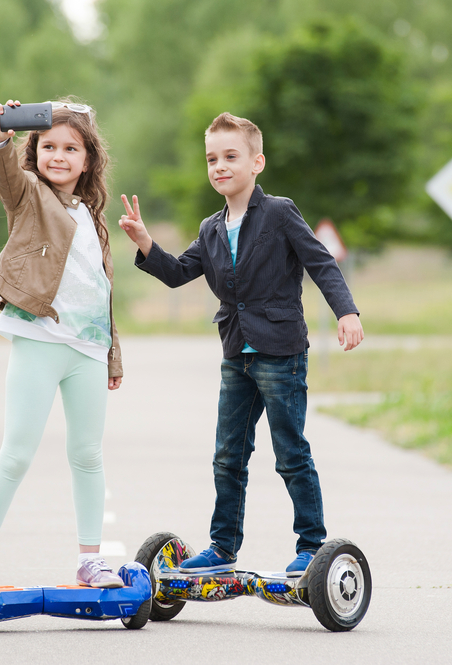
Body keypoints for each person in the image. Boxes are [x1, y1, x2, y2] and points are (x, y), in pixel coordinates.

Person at [118, 112, 363, 576]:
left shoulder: (279, 213)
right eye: (212, 158)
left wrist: (346, 311)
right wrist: (147, 242)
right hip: (237, 355)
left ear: (257, 162)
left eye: (231, 156)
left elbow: (321, 263)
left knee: (290, 452)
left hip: (281, 353)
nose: (220, 166)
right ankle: (222, 547)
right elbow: (176, 274)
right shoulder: (211, 228)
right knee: (228, 455)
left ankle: (312, 545)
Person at [0, 99, 125, 591]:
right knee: (16, 454)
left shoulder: (95, 219)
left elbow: (101, 290)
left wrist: (112, 355)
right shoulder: (29, 195)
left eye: (70, 148)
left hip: (88, 351)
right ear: (35, 153)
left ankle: (91, 561)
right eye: (48, 146)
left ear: (88, 159)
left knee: (88, 455)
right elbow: (5, 171)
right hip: (39, 337)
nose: (59, 156)